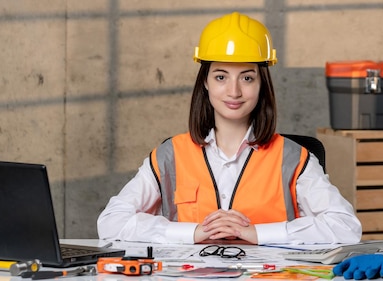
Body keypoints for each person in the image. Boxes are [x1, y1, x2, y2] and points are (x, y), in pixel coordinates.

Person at [97, 12, 362, 245]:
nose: (233, 91)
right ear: (206, 83)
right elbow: (109, 223)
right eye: (221, 76)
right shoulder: (169, 155)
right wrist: (193, 233)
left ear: (261, 86)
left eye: (247, 78)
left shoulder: (292, 157)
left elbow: (346, 227)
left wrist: (259, 234)